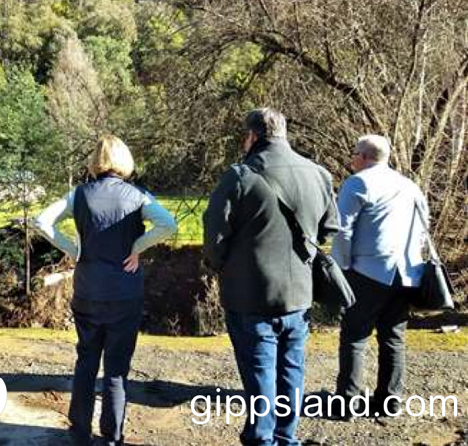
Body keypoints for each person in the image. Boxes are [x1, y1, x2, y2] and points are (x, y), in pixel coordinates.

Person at [203, 108, 339, 446]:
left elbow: (214, 235)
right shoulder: (318, 173)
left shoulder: (239, 176)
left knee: (261, 372)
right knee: (292, 370)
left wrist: (220, 266)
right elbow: (328, 229)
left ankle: (262, 439)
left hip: (251, 294)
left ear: (252, 137)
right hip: (299, 294)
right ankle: (285, 437)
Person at [32, 135, 177, 446]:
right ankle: (112, 437)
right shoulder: (138, 195)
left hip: (87, 290)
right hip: (125, 294)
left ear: (95, 161)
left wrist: (73, 249)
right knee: (116, 368)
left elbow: (41, 221)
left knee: (86, 361)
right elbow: (169, 225)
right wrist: (137, 247)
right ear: (124, 161)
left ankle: (79, 433)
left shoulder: (79, 194)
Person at [332, 135, 427, 418]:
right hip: (407, 273)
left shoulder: (358, 182)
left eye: (353, 154)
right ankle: (390, 401)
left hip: (368, 270)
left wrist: (342, 266)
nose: (351, 159)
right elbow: (423, 228)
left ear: (363, 156)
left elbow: (343, 229)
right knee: (393, 337)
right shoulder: (410, 186)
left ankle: (347, 402)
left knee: (354, 336)